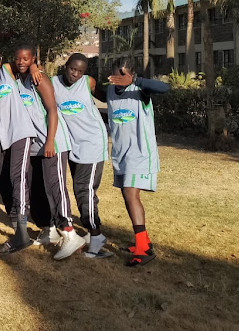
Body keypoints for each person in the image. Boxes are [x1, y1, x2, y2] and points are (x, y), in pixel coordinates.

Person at [14, 45, 86, 260]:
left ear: (33, 59)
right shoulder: (19, 79)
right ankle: (50, 230)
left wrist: (50, 141)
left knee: (55, 186)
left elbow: (52, 110)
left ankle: (71, 233)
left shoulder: (40, 79)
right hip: (35, 143)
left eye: (26, 59)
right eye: (18, 58)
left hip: (52, 141)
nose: (21, 62)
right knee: (39, 188)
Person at [107, 57, 168, 267]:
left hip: (140, 153)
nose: (118, 76)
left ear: (130, 74)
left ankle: (143, 249)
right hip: (120, 154)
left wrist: (137, 81)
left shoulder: (139, 91)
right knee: (127, 195)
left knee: (130, 193)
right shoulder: (109, 92)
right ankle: (143, 241)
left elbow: (165, 88)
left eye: (123, 73)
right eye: (115, 72)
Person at [52, 53, 113, 259]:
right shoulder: (54, 83)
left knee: (84, 191)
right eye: (72, 69)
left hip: (93, 143)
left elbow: (106, 97)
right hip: (72, 144)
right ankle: (91, 232)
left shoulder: (88, 82)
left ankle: (96, 235)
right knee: (79, 190)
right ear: (65, 66)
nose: (75, 74)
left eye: (80, 71)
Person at [0, 50, 39, 255]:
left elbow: (22, 64)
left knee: (18, 178)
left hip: (21, 132)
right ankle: (17, 225)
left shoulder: (6, 72)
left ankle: (22, 234)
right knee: (5, 181)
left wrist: (33, 66)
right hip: (3, 138)